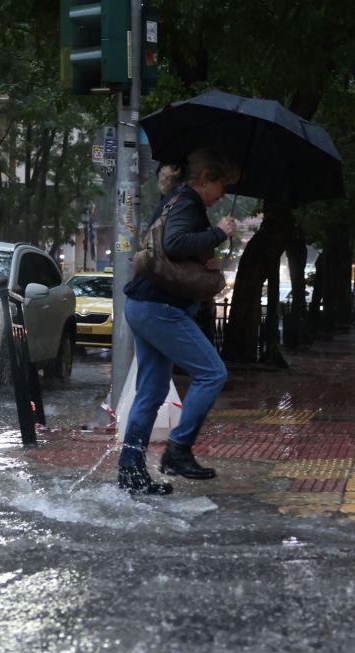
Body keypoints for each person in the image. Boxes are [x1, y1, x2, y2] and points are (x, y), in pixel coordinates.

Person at [118, 149, 238, 495]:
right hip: (160, 309)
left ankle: (131, 472)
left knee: (151, 393)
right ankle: (178, 450)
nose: (223, 195)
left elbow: (177, 249)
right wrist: (218, 233)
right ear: (205, 180)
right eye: (221, 186)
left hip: (144, 305)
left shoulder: (175, 199)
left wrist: (207, 262)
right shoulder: (188, 201)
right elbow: (175, 243)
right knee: (212, 373)